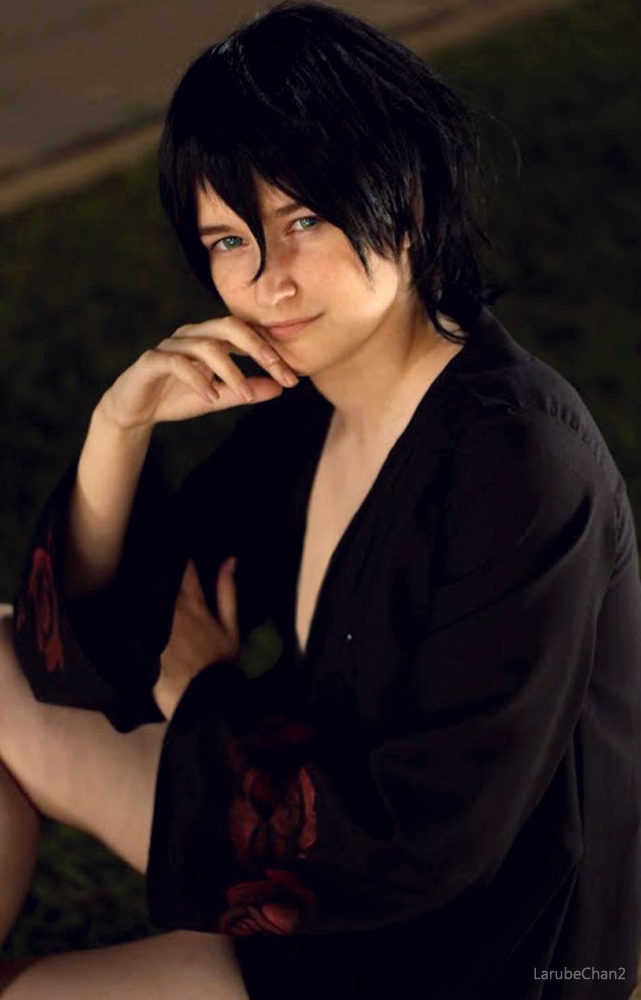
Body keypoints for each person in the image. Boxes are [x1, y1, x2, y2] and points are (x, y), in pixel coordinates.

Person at [0, 1, 640, 996]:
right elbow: (97, 650)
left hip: (457, 951)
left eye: (302, 221)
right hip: (304, 847)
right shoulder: (313, 405)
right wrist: (116, 427)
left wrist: (204, 692)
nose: (268, 284)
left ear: (408, 198)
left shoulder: (517, 464)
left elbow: (427, 838)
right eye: (228, 241)